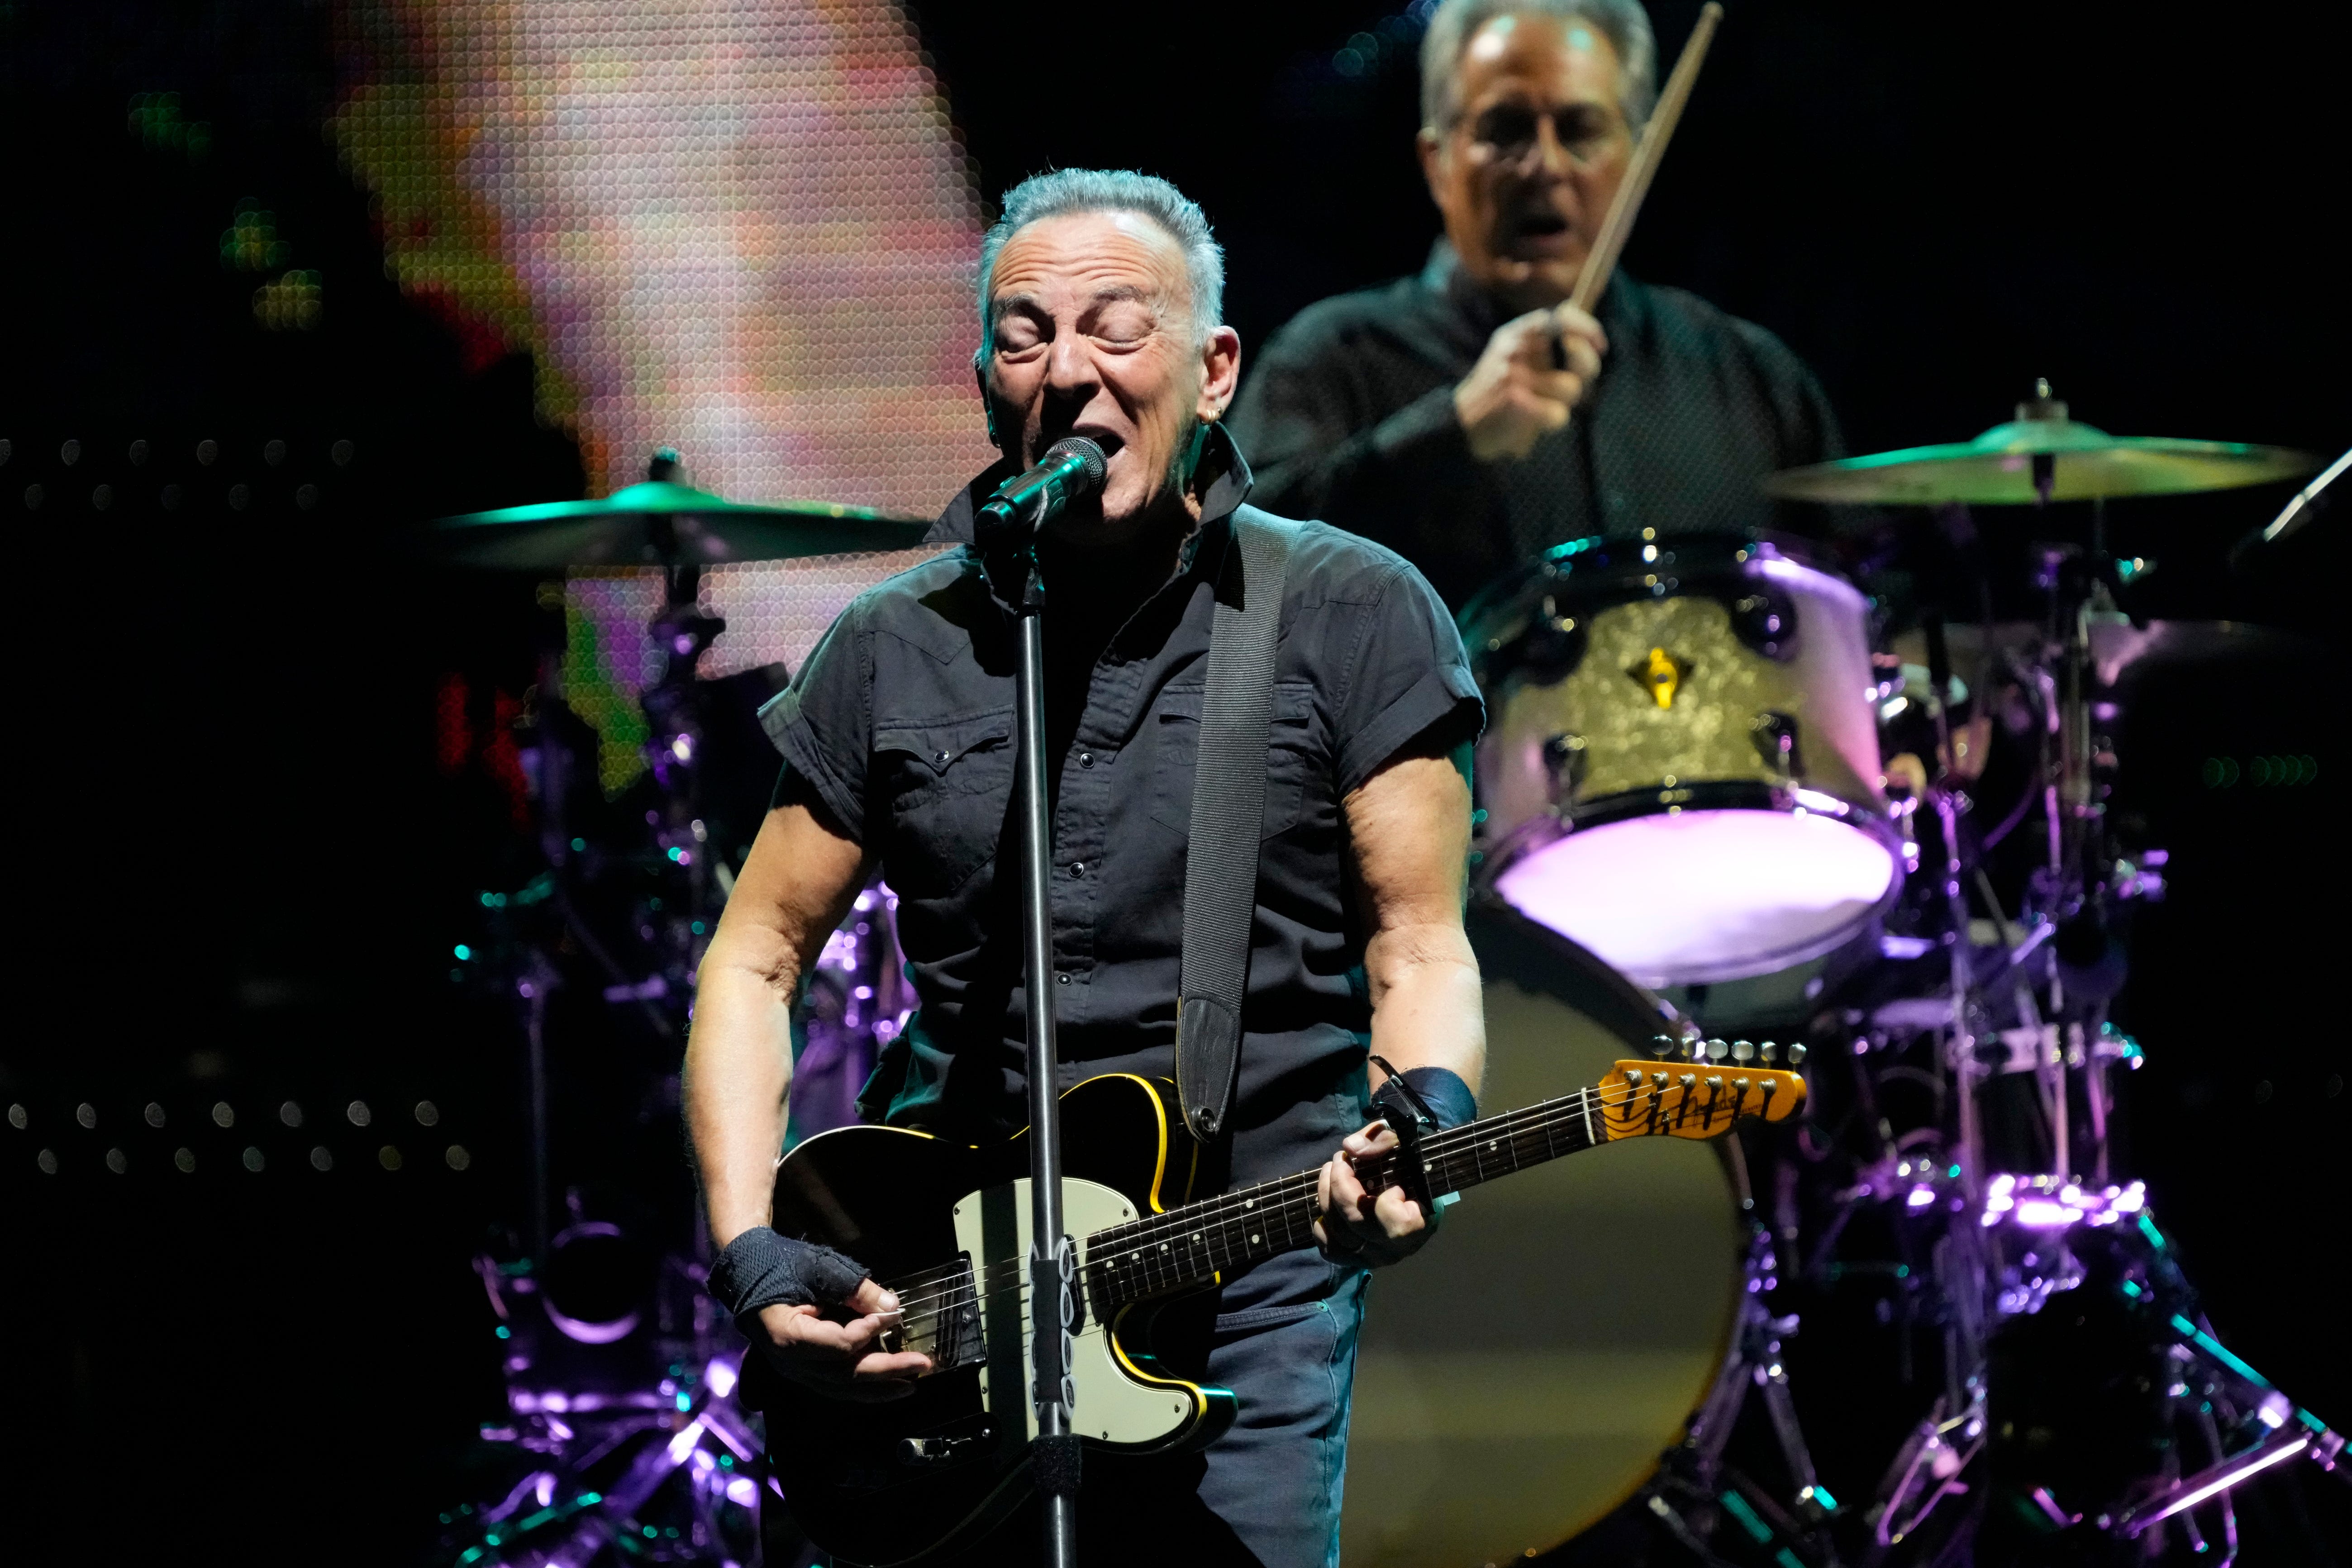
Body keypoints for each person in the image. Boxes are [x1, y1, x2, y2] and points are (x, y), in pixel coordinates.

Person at [682, 169, 1488, 1567]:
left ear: (1214, 370)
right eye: (1025, 336)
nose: (1067, 372)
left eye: (1117, 328)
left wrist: (1418, 1118)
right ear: (986, 385)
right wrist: (753, 1247)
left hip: (1238, 1283)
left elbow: (1417, 944)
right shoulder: (892, 644)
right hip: (939, 1290)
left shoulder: (1348, 611)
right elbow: (753, 958)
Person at [1229, 0, 1849, 613]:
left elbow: (1863, 605)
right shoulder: (1331, 360)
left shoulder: (1752, 378)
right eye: (1505, 130)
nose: (1545, 166)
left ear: (1638, 159)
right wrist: (1451, 434)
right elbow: (1230, 568)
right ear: (1436, 163)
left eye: (1580, 130)